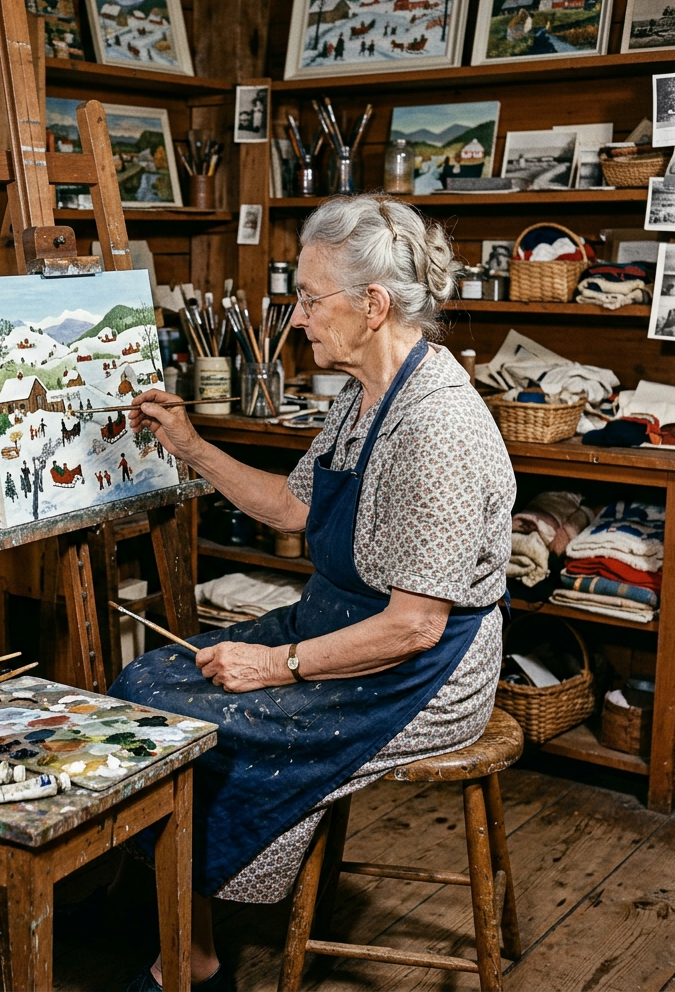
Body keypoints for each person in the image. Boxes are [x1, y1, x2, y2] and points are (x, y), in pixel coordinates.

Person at [118, 195, 514, 992]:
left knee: (208, 726)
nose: (296, 317)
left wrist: (271, 666)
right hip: (342, 622)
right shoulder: (362, 395)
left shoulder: (437, 428)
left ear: (373, 305)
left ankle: (190, 959)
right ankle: (180, 917)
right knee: (148, 684)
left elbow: (414, 627)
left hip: (423, 670)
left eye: (308, 297)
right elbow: (291, 508)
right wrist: (190, 446)